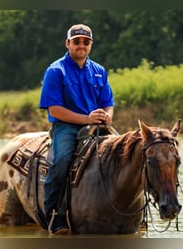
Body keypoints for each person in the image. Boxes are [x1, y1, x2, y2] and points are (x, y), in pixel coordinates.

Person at [39, 23, 115, 235]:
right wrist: (86, 118)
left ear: (91, 44)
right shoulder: (56, 71)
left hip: (97, 125)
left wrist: (107, 116)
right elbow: (55, 109)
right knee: (62, 159)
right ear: (68, 43)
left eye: (86, 42)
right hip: (67, 126)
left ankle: (135, 211)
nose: (81, 45)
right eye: (77, 41)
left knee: (130, 152)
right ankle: (54, 214)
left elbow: (108, 101)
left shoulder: (99, 71)